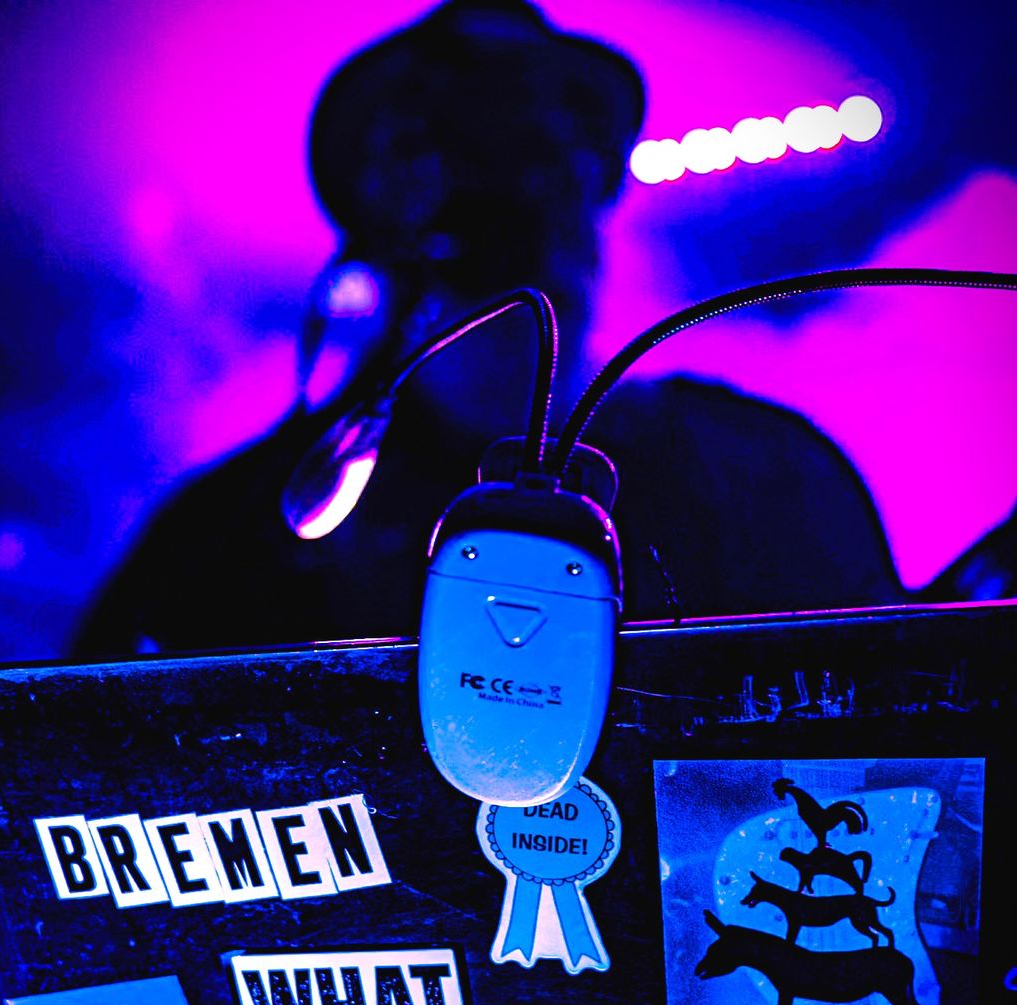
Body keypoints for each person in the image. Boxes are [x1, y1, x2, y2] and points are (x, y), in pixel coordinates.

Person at [75, 0, 903, 660]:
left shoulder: (761, 475)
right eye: (464, 166)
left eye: (544, 157)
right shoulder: (232, 539)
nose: (518, 208)